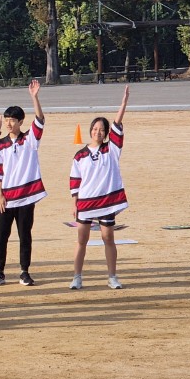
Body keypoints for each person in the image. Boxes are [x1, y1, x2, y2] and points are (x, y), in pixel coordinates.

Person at [69, 85, 131, 289]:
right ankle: (77, 277)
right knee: (81, 240)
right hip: (86, 203)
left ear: (106, 134)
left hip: (106, 202)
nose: (98, 132)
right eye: (95, 129)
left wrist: (123, 104)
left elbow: (117, 123)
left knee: (108, 238)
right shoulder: (80, 155)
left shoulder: (111, 150)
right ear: (90, 131)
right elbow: (75, 180)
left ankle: (112, 276)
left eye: (101, 130)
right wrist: (74, 203)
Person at [0, 80, 47, 287]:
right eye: (6, 120)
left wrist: (34, 97)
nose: (9, 123)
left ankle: (24, 271)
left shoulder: (29, 140)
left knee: (25, 235)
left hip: (26, 197)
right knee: (1, 236)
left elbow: (40, 119)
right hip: (6, 198)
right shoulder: (1, 145)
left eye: (12, 120)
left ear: (21, 122)